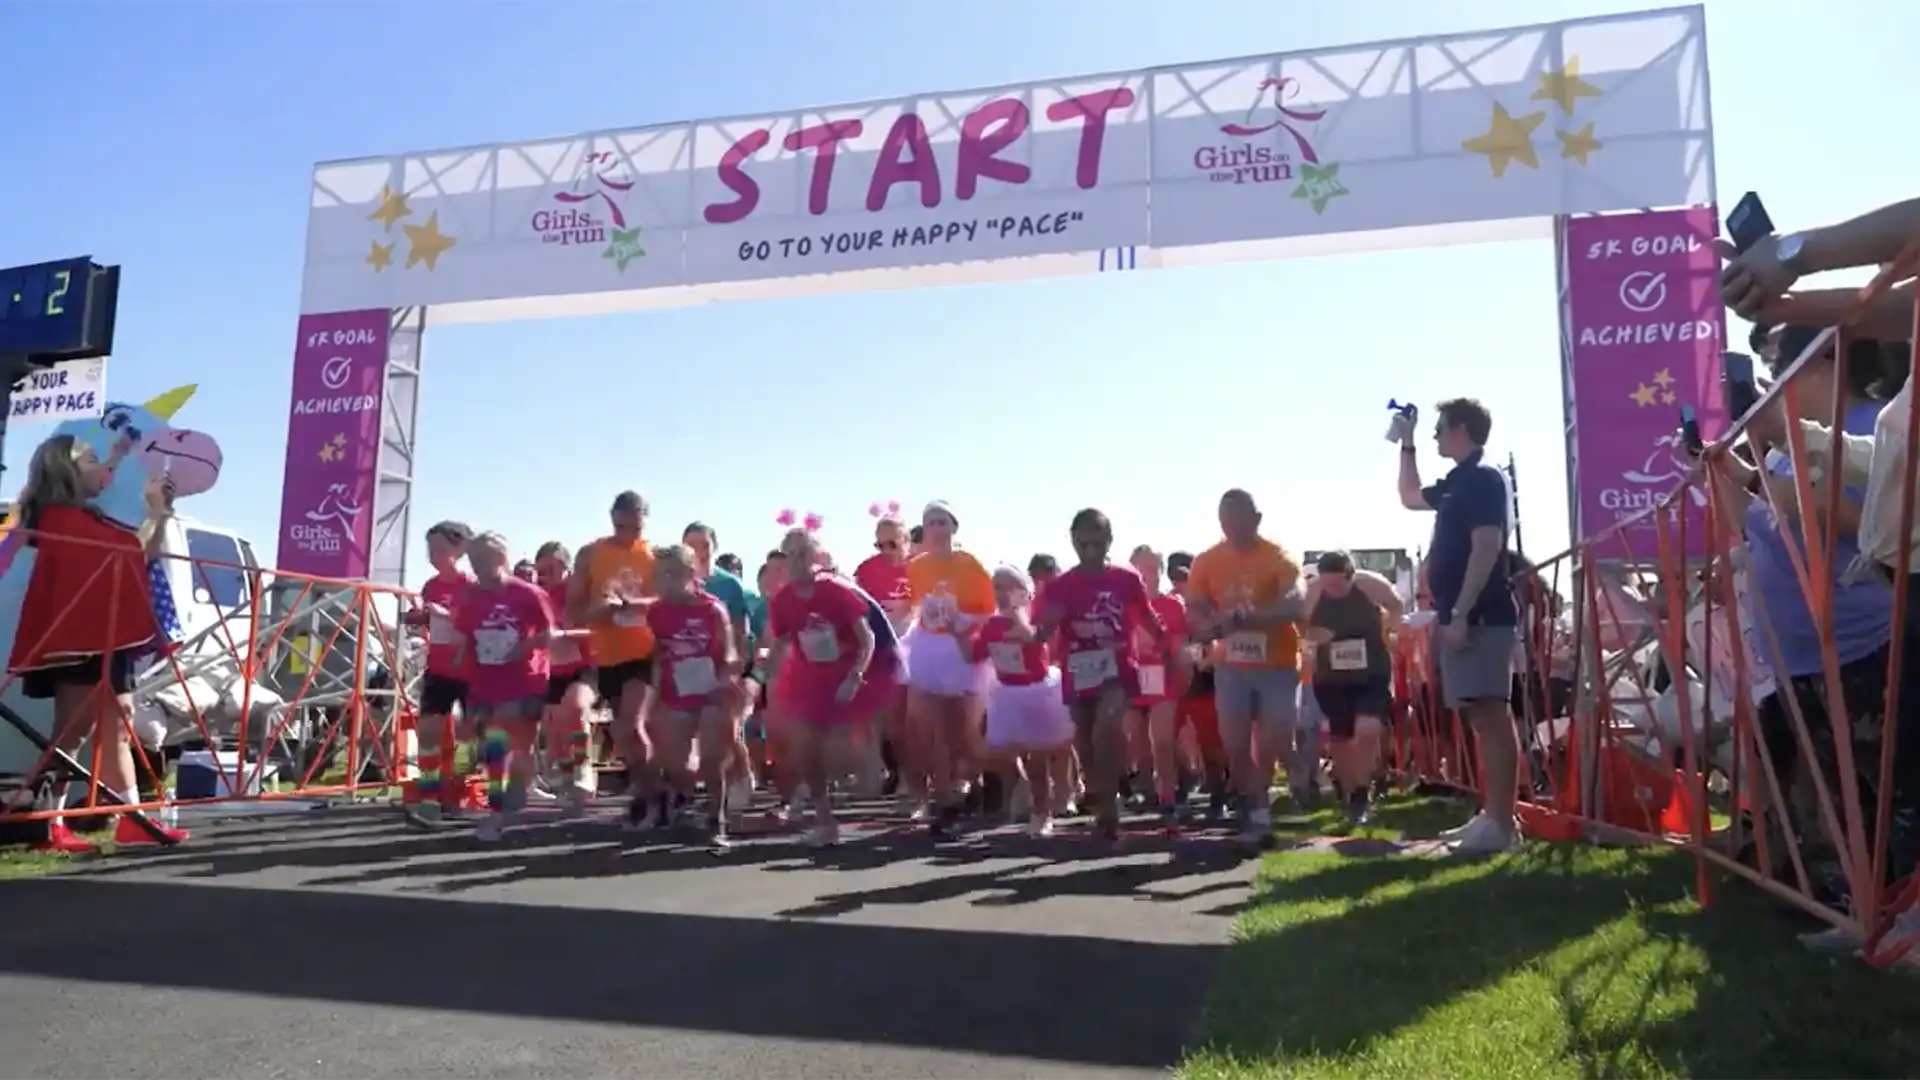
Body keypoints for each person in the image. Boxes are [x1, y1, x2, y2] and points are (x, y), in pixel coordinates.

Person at [9, 433, 187, 851]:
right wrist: (155, 512)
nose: (102, 466)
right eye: (91, 459)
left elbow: (135, 553)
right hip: (82, 635)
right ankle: (45, 822)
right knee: (72, 731)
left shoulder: (80, 516)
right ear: (67, 471)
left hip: (103, 633)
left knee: (116, 722)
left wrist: (159, 513)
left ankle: (131, 821)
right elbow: (124, 552)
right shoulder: (59, 516)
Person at [1396, 398, 1522, 854]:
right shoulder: (1456, 482)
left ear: (1461, 430)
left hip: (1482, 614)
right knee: (1479, 716)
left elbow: (1487, 545)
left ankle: (1503, 825)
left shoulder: (1484, 478)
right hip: (1461, 615)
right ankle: (1492, 816)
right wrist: (1405, 443)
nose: (1434, 436)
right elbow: (1410, 498)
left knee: (1491, 714)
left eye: (1438, 429)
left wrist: (1464, 611)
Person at [1032, 509, 1166, 841]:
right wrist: (1039, 627)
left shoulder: (1125, 578)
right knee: (1085, 743)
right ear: (1074, 541)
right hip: (1078, 671)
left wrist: (1169, 647)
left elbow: (1148, 618)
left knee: (1107, 726)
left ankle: (1112, 800)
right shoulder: (1061, 585)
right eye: (1084, 542)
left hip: (1117, 668)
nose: (1091, 549)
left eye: (1097, 542)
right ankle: (1104, 800)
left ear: (1109, 541)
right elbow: (1043, 632)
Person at [1184, 490, 1309, 845]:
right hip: (1232, 666)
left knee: (1275, 735)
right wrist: (1209, 626)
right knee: (1236, 743)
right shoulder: (1206, 562)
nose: (1235, 529)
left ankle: (1296, 767)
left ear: (1257, 519)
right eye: (1228, 523)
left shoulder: (1278, 557)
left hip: (1277, 664)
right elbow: (1195, 610)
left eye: (1242, 521)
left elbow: (1296, 602)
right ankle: (1258, 813)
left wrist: (1248, 618)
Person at [763, 526, 897, 847]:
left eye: (803, 554)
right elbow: (780, 643)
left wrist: (853, 678)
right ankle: (825, 820)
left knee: (843, 751)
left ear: (816, 557)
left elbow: (868, 639)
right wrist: (763, 673)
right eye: (791, 555)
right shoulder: (783, 600)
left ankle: (870, 771)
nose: (797, 562)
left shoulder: (837, 591)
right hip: (809, 675)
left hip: (852, 669)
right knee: (805, 749)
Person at [452, 532, 557, 843]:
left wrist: (524, 647)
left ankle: (507, 806)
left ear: (501, 558)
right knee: (497, 744)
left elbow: (550, 633)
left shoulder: (527, 594)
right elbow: (465, 631)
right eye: (473, 561)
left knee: (515, 745)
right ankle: (500, 811)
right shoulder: (470, 595)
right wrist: (461, 653)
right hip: (486, 680)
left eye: (483, 559)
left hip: (524, 677)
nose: (478, 567)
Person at [568, 491, 661, 829]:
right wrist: (602, 609)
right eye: (622, 526)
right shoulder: (592, 553)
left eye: (635, 528)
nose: (628, 534)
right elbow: (575, 609)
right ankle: (647, 790)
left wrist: (631, 605)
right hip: (607, 654)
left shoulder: (652, 556)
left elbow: (667, 601)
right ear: (612, 519)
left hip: (645, 652)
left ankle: (651, 800)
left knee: (633, 725)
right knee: (622, 734)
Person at [902, 501, 995, 835]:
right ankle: (943, 798)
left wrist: (961, 620)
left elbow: (989, 611)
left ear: (954, 528)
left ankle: (969, 784)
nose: (937, 529)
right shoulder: (917, 566)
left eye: (942, 522)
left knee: (962, 731)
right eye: (930, 523)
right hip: (927, 648)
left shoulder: (969, 564)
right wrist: (922, 614)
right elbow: (917, 606)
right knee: (928, 725)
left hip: (962, 647)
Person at [963, 565, 1073, 836]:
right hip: (1007, 693)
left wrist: (1016, 613)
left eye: (1008, 587)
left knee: (1041, 757)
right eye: (997, 587)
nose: (1001, 593)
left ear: (1024, 592)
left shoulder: (1035, 618)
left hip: (1038, 691)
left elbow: (1034, 642)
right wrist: (957, 634)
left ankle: (1043, 812)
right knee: (993, 751)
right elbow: (973, 655)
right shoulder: (992, 623)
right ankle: (1025, 790)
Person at [645, 542, 741, 848]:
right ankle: (685, 800)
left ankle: (717, 819)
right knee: (675, 762)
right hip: (677, 691)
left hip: (712, 691)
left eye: (671, 574)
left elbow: (729, 656)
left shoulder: (712, 609)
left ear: (689, 573)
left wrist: (722, 686)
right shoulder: (657, 611)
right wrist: (657, 693)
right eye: (660, 575)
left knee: (713, 760)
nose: (664, 582)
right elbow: (657, 651)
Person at [1303, 550, 1405, 826]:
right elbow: (1300, 627)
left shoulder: (1369, 584)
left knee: (1368, 730)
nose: (1332, 590)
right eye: (1328, 585)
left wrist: (1394, 628)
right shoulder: (1313, 591)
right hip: (1331, 677)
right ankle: (1349, 793)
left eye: (1338, 585)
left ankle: (1361, 793)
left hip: (1371, 671)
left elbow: (1396, 604)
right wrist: (1314, 635)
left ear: (1350, 576)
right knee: (1341, 739)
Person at [404, 519, 475, 829]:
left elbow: (477, 623)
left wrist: (445, 614)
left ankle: (457, 791)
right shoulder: (431, 585)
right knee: (430, 732)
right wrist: (418, 616)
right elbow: (425, 621)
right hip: (438, 668)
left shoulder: (471, 584)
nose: (433, 554)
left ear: (459, 550)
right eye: (430, 549)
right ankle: (430, 796)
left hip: (470, 669)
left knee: (469, 734)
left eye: (440, 549)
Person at [683, 522, 757, 813]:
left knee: (728, 725)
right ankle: (706, 788)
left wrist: (736, 665)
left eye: (704, 545)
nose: (699, 552)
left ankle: (743, 775)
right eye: (692, 545)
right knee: (698, 728)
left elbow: (740, 628)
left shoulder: (729, 585)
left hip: (726, 665)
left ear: (714, 547)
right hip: (692, 665)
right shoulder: (681, 583)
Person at [1128, 545, 1192, 830]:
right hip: (1132, 680)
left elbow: (1180, 646)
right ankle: (1151, 788)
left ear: (1160, 572)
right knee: (1138, 744)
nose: (1144, 575)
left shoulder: (1172, 605)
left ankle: (1168, 795)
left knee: (1162, 741)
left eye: (1151, 568)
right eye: (1138, 568)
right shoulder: (1122, 606)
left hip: (1163, 680)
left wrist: (1182, 675)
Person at [855, 511, 916, 804]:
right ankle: (879, 774)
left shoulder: (919, 568)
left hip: (913, 647)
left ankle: (910, 778)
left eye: (892, 544)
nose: (886, 552)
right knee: (877, 720)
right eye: (880, 545)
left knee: (904, 720)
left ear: (906, 541)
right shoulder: (865, 570)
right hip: (878, 649)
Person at [533, 541, 595, 815]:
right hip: (553, 669)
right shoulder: (537, 595)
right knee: (556, 731)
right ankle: (568, 779)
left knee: (577, 708)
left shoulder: (578, 590)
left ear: (565, 566)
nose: (546, 573)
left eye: (551, 567)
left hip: (583, 665)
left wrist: (570, 632)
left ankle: (583, 770)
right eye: (541, 569)